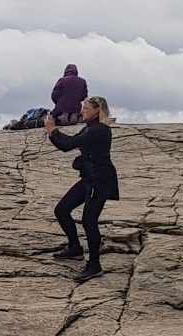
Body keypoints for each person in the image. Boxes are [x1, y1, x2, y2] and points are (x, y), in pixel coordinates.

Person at [45, 96, 118, 282]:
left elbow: (68, 145)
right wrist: (53, 132)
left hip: (100, 180)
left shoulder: (99, 130)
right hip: (89, 178)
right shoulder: (90, 128)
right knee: (62, 210)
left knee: (89, 221)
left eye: (85, 108)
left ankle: (94, 265)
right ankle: (75, 248)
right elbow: (69, 143)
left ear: (96, 110)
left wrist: (52, 130)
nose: (81, 112)